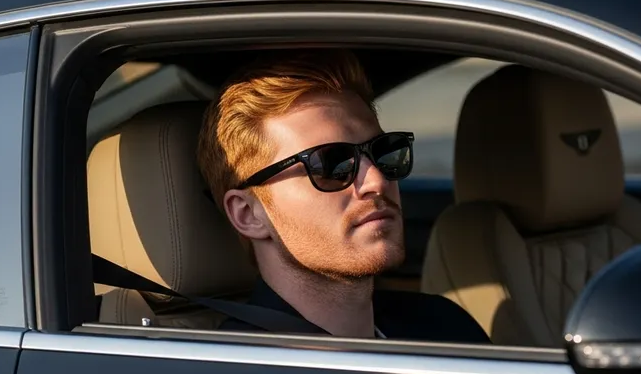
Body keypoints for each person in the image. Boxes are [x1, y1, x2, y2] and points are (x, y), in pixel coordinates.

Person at [196, 49, 489, 343]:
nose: (377, 180)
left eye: (384, 152)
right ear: (248, 214)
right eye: (331, 165)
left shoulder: (444, 328)